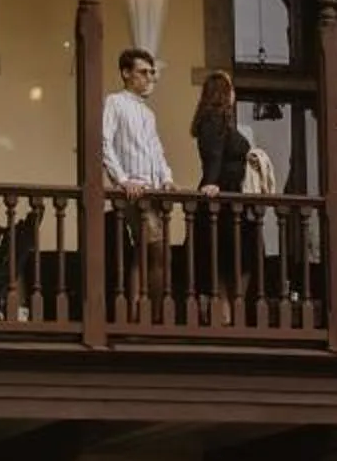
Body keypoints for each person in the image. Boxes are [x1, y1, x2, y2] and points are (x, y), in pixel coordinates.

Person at [99, 48, 172, 315]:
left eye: (151, 72)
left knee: (145, 252)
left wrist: (167, 178)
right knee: (157, 251)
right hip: (134, 193)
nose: (149, 77)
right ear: (126, 73)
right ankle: (148, 316)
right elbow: (104, 142)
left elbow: (156, 151)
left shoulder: (148, 114)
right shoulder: (115, 102)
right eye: (143, 72)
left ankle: (138, 313)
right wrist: (122, 179)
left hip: (153, 192)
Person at [190, 70, 259, 307]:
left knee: (237, 260)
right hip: (224, 199)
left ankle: (232, 311)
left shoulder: (222, 120)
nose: (234, 93)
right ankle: (228, 313)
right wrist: (212, 181)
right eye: (231, 88)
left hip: (233, 198)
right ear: (223, 92)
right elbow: (214, 154)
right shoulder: (213, 120)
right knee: (226, 260)